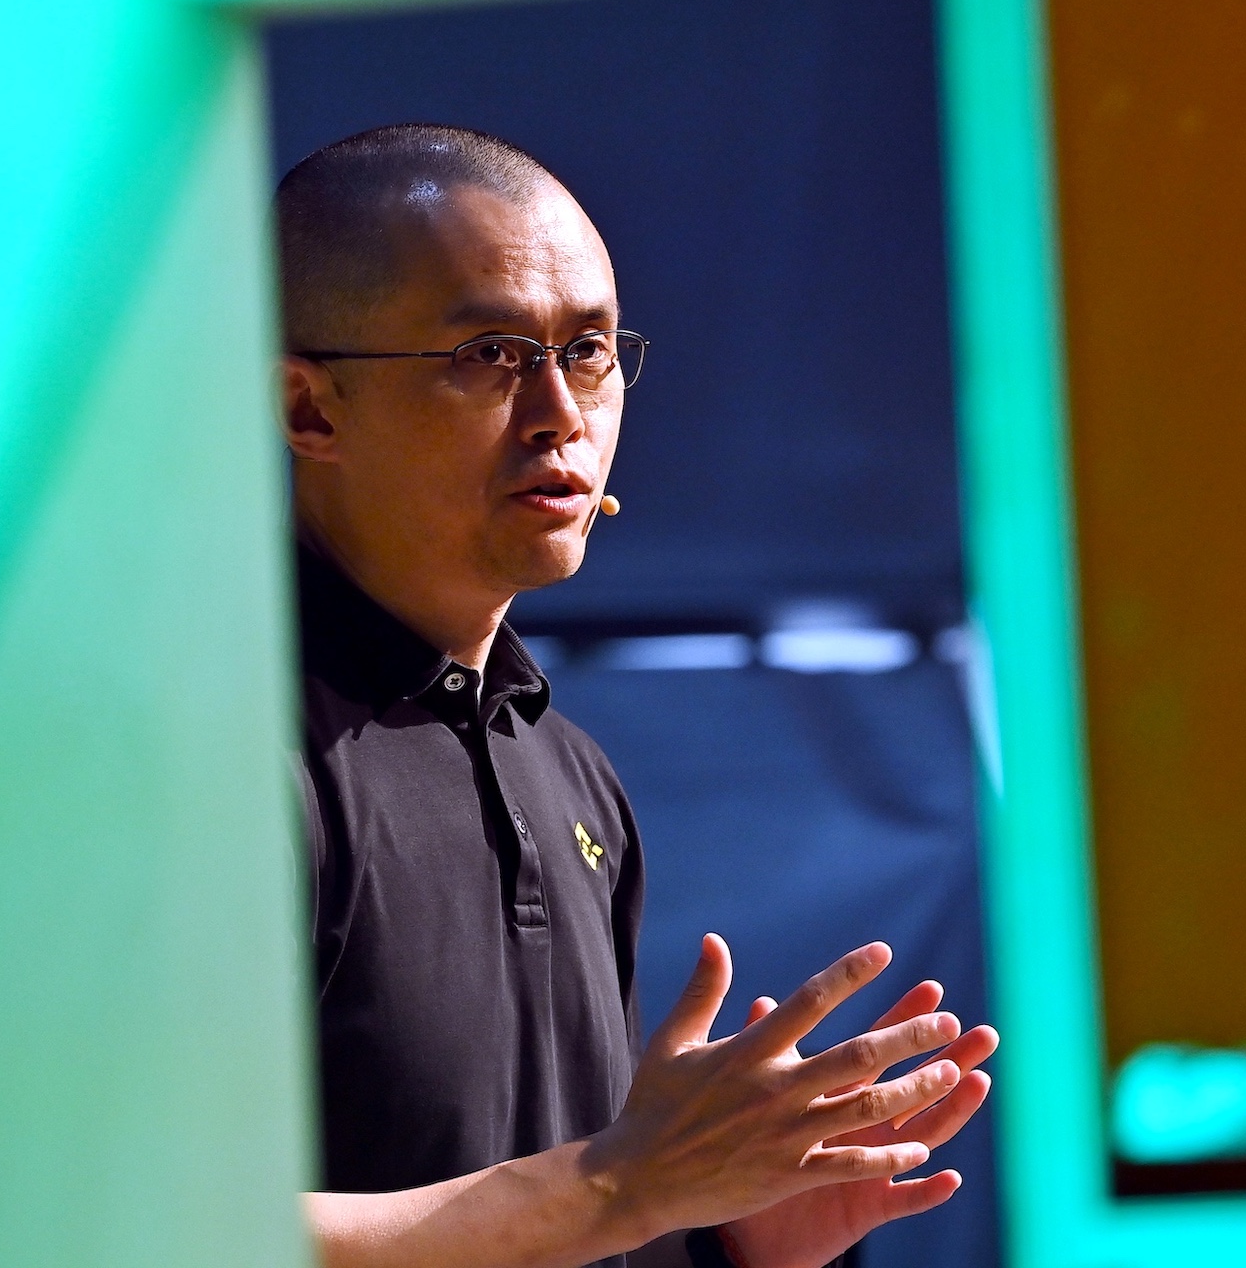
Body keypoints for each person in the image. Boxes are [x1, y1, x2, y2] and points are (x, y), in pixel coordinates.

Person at [276, 123, 998, 1268]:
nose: (561, 412)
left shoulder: (572, 775)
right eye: (492, 354)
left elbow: (562, 1222)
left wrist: (723, 1236)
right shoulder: (231, 757)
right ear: (311, 411)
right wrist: (626, 1187)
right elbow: (140, 1224)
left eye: (591, 352)